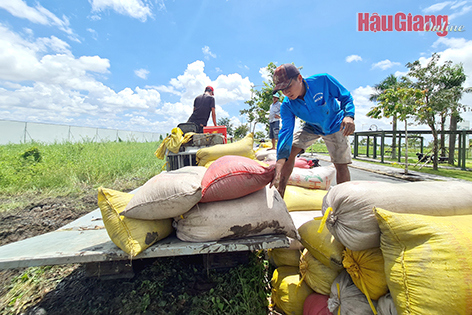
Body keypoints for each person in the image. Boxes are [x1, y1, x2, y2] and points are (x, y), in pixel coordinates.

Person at [270, 63, 355, 197]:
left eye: (288, 87)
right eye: (282, 90)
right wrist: (280, 159)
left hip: (335, 124)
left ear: (299, 78)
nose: (286, 93)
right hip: (312, 127)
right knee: (290, 151)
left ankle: (343, 200)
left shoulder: (323, 81)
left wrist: (349, 116)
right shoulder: (287, 105)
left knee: (341, 164)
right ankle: (281, 192)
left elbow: (346, 96)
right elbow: (286, 131)